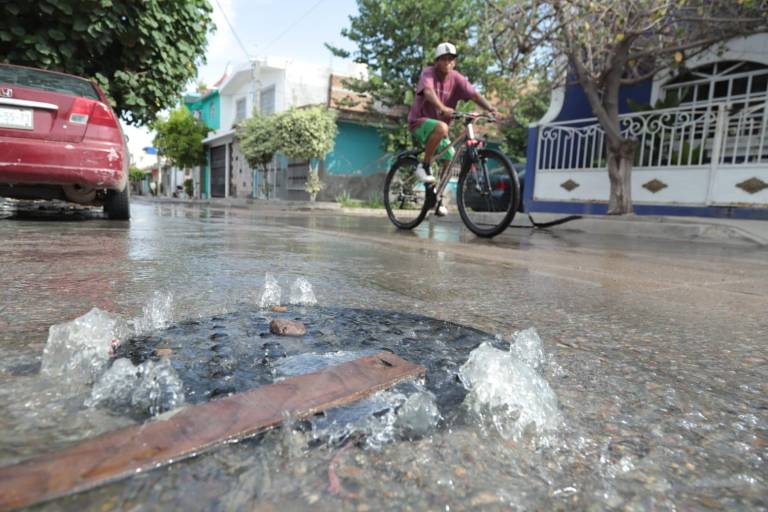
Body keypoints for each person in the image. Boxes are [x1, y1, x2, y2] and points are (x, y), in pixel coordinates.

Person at [407, 42, 497, 215]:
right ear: (436, 61)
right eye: (444, 59)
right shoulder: (429, 73)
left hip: (440, 130)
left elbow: (475, 94)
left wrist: (490, 108)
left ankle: (436, 196)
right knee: (441, 126)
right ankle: (424, 166)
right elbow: (428, 92)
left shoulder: (457, 78)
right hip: (419, 122)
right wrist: (442, 107)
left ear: (454, 63)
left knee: (450, 156)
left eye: (451, 59)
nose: (448, 62)